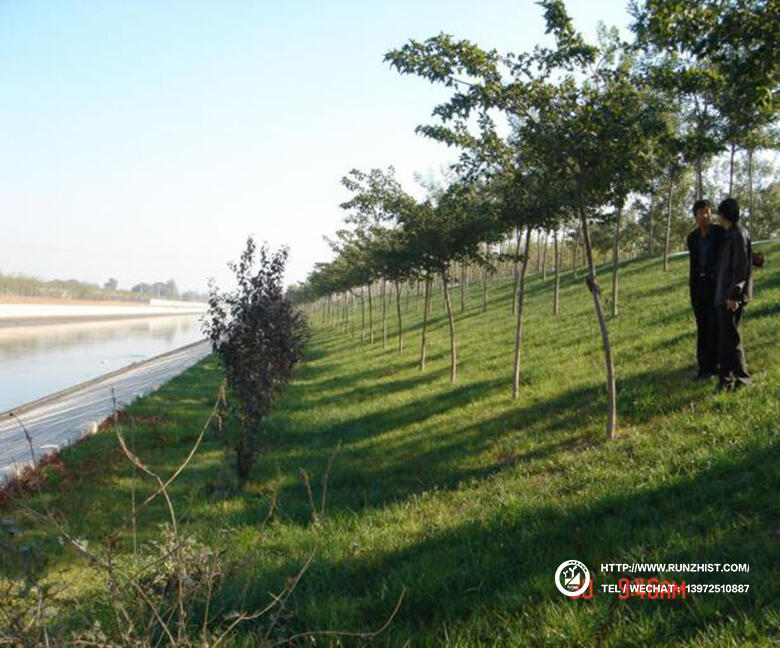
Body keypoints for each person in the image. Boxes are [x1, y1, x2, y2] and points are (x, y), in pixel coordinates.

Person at [714, 198, 752, 391]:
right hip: (724, 295)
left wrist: (734, 296)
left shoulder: (738, 235)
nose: (718, 219)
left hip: (731, 297)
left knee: (732, 340)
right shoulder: (730, 235)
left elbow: (740, 269)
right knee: (726, 340)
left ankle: (743, 379)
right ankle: (726, 380)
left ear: (724, 215)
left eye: (719, 215)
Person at [686, 199, 721, 379]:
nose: (705, 216)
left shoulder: (719, 233)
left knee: (715, 326)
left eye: (707, 212)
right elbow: (693, 264)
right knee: (702, 327)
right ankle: (703, 367)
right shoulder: (692, 238)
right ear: (695, 216)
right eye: (701, 213)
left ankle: (716, 365)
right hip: (699, 286)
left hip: (715, 285)